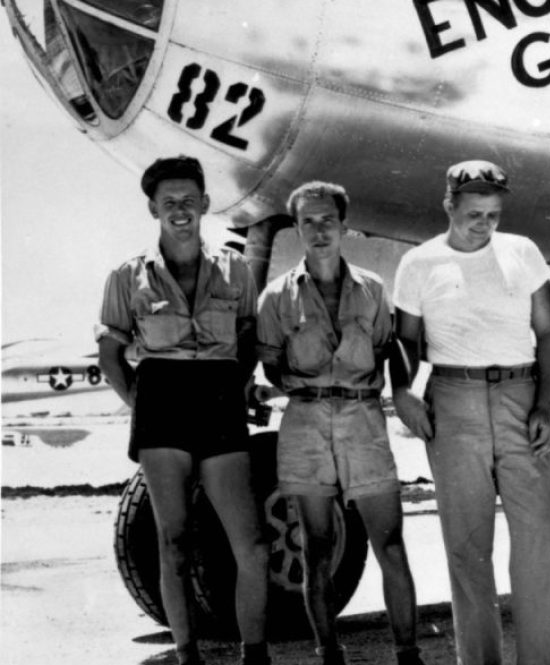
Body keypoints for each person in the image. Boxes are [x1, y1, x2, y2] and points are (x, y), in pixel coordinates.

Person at [96, 155, 270, 665]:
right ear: (153, 208)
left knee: (252, 544)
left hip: (218, 402)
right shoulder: (127, 274)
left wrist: (234, 389)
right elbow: (111, 353)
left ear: (205, 205)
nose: (180, 211)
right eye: (169, 202)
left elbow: (249, 338)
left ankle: (254, 655)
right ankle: (187, 654)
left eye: (189, 201)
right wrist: (141, 408)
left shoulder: (235, 267)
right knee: (173, 540)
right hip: (161, 406)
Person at [391, 160, 550, 665]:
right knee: (467, 549)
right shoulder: (419, 264)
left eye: (492, 213)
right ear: (448, 206)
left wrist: (545, 406)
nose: (484, 223)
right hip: (454, 402)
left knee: (537, 544)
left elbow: (548, 332)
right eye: (473, 213)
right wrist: (401, 391)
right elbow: (405, 338)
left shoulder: (523, 252)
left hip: (520, 395)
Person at [256, 182, 422, 665]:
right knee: (317, 548)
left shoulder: (372, 290)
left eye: (328, 219)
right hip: (305, 424)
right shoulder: (276, 298)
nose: (319, 229)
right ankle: (329, 652)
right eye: (308, 220)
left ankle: (408, 654)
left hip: (363, 420)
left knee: (389, 542)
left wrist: (398, 392)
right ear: (297, 228)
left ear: (344, 225)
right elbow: (269, 363)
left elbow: (391, 350)